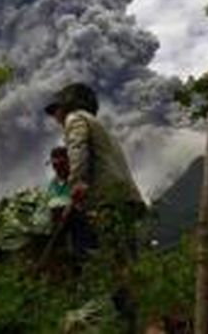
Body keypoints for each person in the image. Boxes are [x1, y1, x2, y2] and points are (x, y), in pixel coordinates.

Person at [44, 82, 146, 332]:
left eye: (57, 109)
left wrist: (77, 184)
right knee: (127, 266)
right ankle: (131, 322)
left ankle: (120, 323)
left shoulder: (76, 119)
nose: (55, 116)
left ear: (68, 104)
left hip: (108, 201)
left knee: (111, 265)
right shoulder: (100, 126)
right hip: (126, 200)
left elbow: (77, 149)